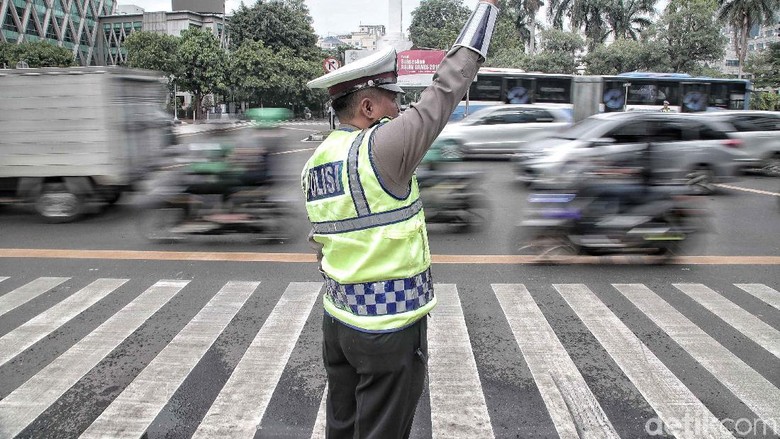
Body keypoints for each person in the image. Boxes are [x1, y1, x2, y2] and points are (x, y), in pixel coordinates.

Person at [300, 2, 499, 438]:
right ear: (368, 106)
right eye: (392, 98)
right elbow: (445, 91)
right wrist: (488, 10)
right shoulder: (381, 148)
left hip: (339, 320)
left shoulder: (318, 161)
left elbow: (323, 242)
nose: (401, 106)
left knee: (344, 426)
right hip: (386, 328)